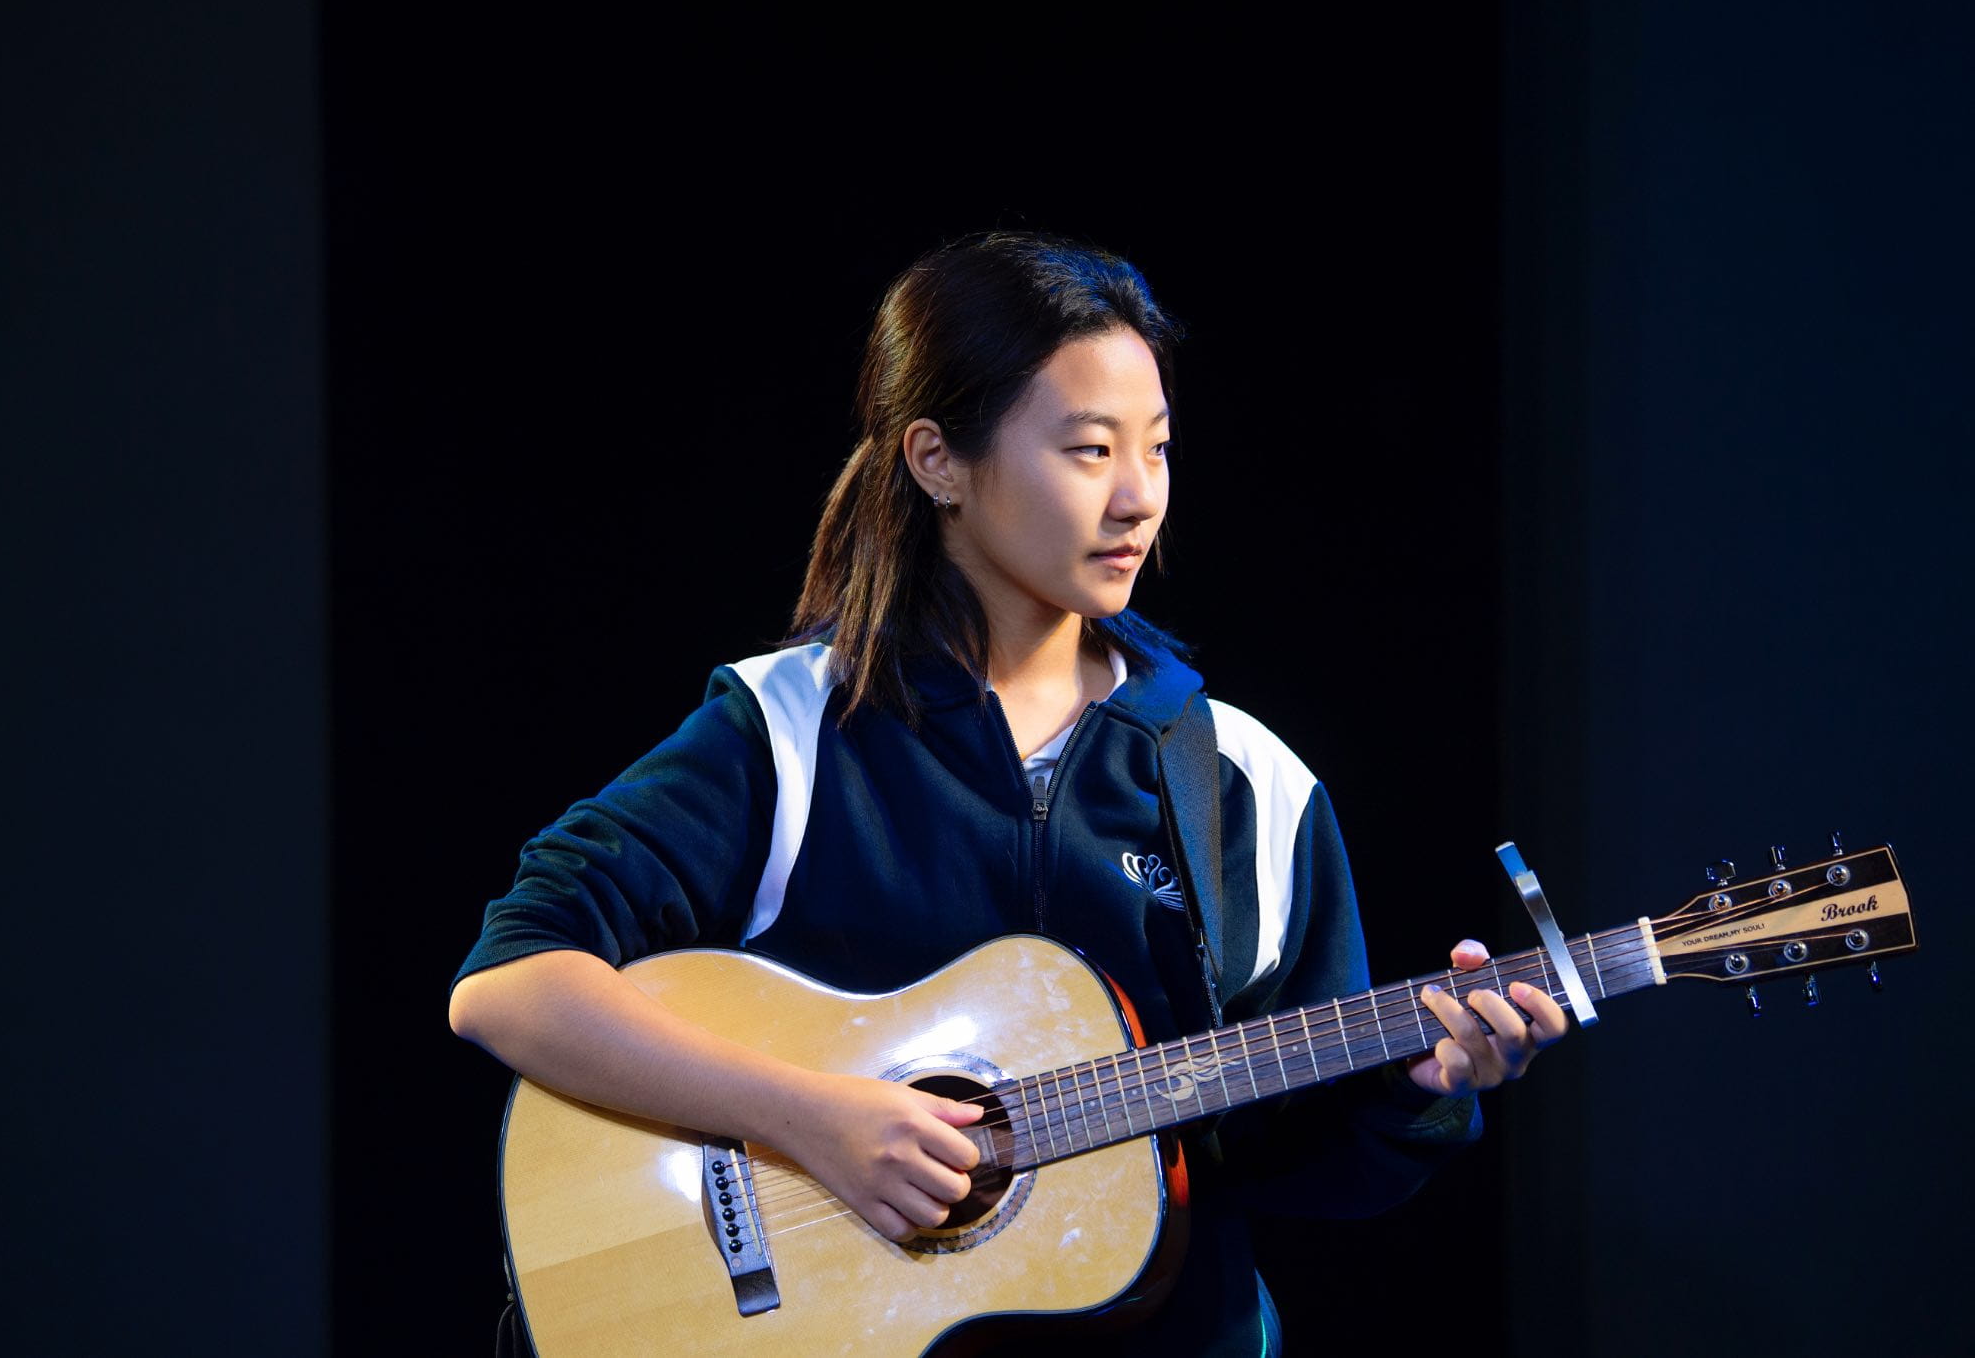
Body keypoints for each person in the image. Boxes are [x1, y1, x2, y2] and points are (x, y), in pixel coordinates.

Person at [448, 231, 1568, 1355]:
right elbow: (509, 983)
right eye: (1089, 450)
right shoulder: (786, 730)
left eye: (1157, 448)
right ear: (937, 460)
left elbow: (1290, 1162)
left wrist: (1423, 1086)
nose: (1137, 498)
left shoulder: (1241, 778)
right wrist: (811, 1119)